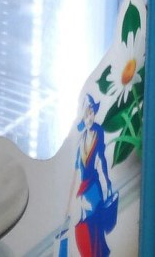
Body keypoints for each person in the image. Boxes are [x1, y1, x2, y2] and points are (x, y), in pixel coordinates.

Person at [64, 93, 115, 257]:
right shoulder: (80, 140)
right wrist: (69, 203)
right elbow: (75, 171)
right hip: (83, 188)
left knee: (93, 226)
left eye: (91, 112)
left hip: (94, 185)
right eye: (86, 114)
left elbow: (102, 158)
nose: (90, 117)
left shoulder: (98, 132)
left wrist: (108, 182)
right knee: (82, 228)